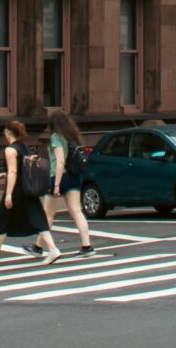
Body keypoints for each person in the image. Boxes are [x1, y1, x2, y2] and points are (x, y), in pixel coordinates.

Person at [0, 117, 63, 265]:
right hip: (28, 189)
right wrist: (3, 174)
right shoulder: (23, 147)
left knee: (3, 221)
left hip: (16, 190)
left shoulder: (10, 149)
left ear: (9, 132)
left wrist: (9, 194)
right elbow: (20, 169)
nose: (4, 133)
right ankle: (53, 249)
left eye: (5, 131)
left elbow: (13, 172)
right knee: (38, 219)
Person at [46, 108, 97, 255]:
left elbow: (60, 161)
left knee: (48, 214)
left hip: (59, 176)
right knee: (76, 211)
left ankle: (39, 246)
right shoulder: (72, 136)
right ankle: (87, 246)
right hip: (74, 176)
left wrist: (56, 184)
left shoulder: (56, 137)